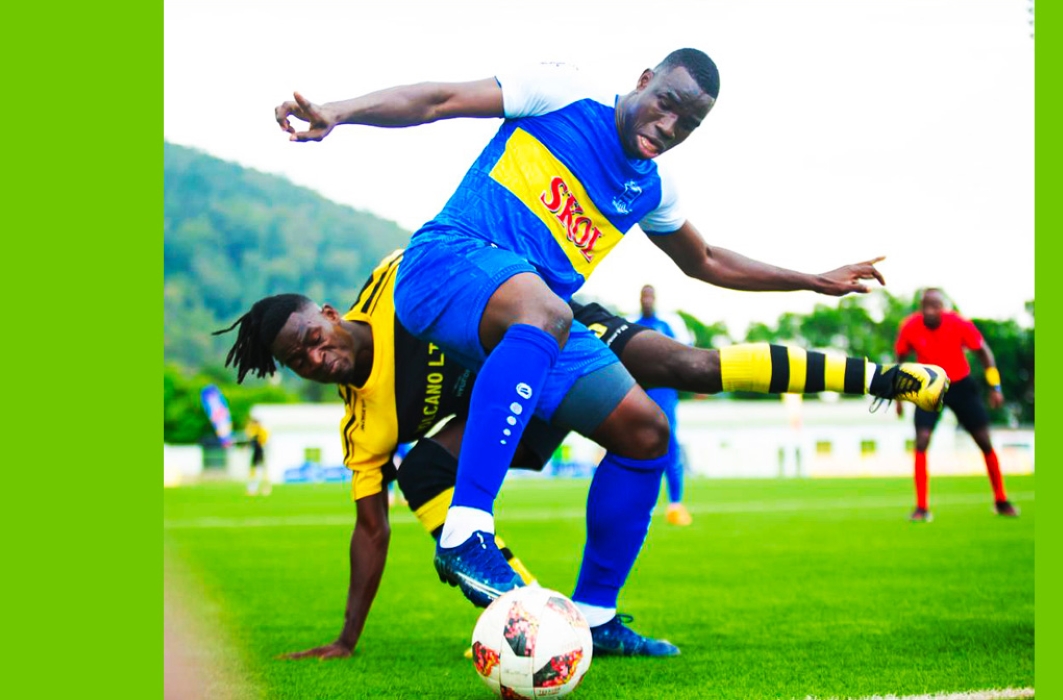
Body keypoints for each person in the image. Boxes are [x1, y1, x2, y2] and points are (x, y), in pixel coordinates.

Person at [273, 49, 913, 617]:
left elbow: (707, 260)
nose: (668, 127)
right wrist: (339, 111)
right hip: (448, 263)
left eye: (687, 125)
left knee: (646, 431)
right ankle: (468, 529)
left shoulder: (650, 189)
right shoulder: (563, 92)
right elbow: (438, 99)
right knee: (547, 313)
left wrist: (810, 279)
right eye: (666, 104)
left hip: (534, 315)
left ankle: (596, 617)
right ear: (643, 80)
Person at [215, 250, 948, 659]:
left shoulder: (398, 281)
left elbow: (482, 255)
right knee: (422, 469)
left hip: (553, 333)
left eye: (312, 337)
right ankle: (546, 622)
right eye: (297, 360)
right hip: (505, 412)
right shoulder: (363, 425)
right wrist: (346, 638)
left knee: (684, 370)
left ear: (329, 313)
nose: (316, 357)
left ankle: (881, 379)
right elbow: (369, 528)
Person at [895, 288, 1018, 522]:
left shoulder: (959, 324)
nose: (930, 311)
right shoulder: (910, 326)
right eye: (925, 306)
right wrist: (899, 397)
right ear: (920, 308)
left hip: (961, 384)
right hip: (928, 386)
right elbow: (900, 358)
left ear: (944, 307)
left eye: (935, 306)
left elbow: (984, 353)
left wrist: (996, 386)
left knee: (983, 440)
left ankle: (1001, 500)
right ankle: (921, 507)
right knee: (921, 441)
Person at [630, 285, 692, 526]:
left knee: (669, 444)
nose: (646, 300)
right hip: (637, 393)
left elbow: (683, 354)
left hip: (664, 393)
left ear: (655, 299)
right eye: (643, 295)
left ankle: (675, 505)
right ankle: (637, 505)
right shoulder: (632, 325)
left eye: (649, 295)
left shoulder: (666, 325)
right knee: (633, 446)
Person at [244, 417, 270, 496]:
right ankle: (252, 488)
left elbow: (263, 441)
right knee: (253, 470)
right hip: (255, 451)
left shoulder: (262, 431)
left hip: (260, 451)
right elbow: (249, 438)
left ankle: (265, 488)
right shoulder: (252, 430)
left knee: (262, 470)